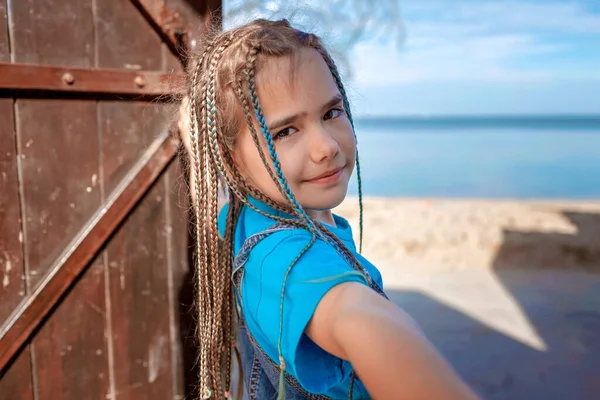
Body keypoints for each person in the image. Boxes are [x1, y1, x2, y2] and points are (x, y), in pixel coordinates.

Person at [177, 18, 480, 400]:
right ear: (231, 159)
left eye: (331, 113)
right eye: (285, 131)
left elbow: (214, 205)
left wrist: (191, 135)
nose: (327, 147)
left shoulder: (244, 218)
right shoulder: (289, 261)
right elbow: (362, 322)